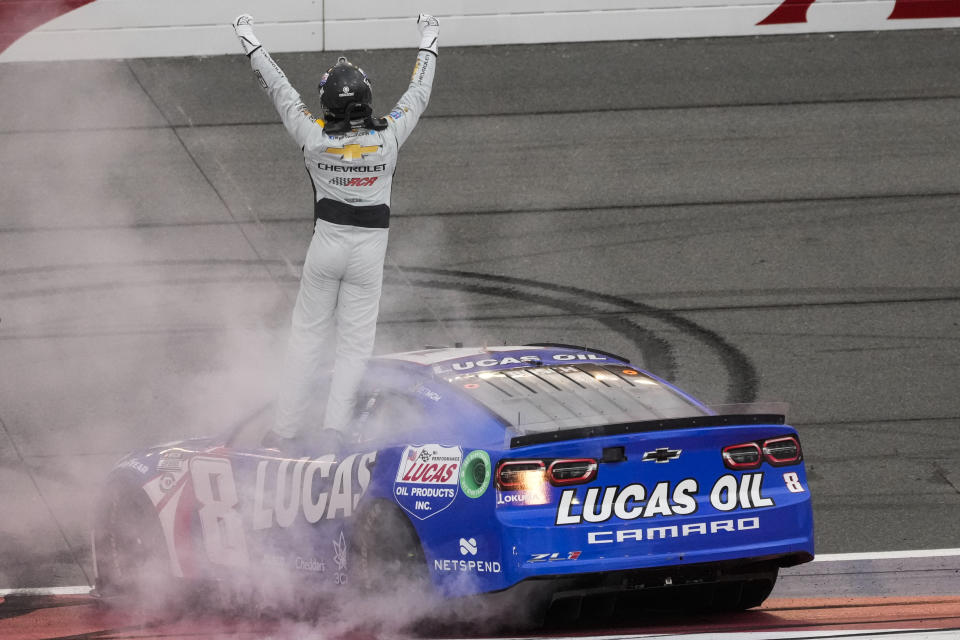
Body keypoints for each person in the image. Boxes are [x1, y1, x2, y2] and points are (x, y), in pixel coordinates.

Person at [231, 13, 439, 450]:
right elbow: (418, 92)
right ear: (367, 99)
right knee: (354, 350)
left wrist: (250, 39)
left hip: (326, 247)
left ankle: (282, 432)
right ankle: (335, 432)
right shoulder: (389, 137)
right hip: (369, 255)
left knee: (305, 340)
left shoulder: (313, 137)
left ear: (326, 105)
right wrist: (429, 37)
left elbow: (279, 89)